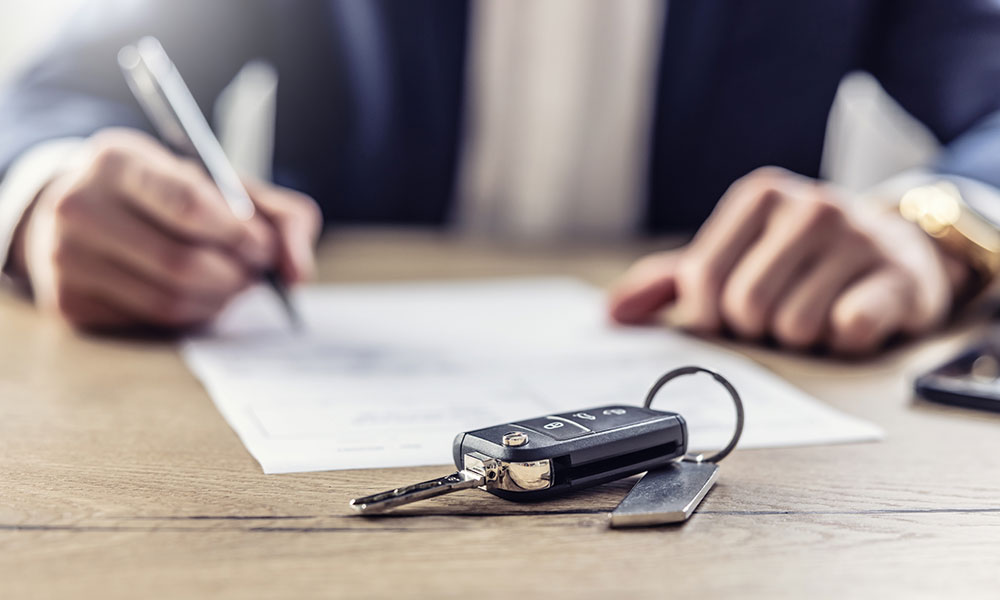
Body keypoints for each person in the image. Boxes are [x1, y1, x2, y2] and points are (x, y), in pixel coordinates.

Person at [0, 0, 998, 354]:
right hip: (311, 376)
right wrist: (52, 190)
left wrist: (937, 226)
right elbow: (56, 90)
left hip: (739, 402)